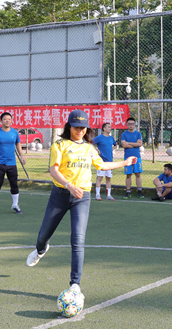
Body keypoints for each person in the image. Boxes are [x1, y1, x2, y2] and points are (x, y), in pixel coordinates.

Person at [26, 110, 137, 293]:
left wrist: (125, 163)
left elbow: (102, 165)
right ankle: (40, 250)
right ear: (69, 126)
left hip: (82, 197)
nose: (80, 131)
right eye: (76, 127)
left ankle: (75, 284)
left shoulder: (89, 148)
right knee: (43, 236)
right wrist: (69, 186)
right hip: (60, 195)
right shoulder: (59, 145)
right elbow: (53, 171)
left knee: (78, 240)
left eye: (83, 127)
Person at [0, 112, 25, 215]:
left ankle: (15, 204)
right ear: (1, 121)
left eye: (9, 119)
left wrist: (22, 156)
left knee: (14, 184)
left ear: (11, 120)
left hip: (12, 164)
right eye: (5, 119)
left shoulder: (14, 132)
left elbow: (18, 144)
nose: (7, 121)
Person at [120, 117, 144, 199]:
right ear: (127, 125)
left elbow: (139, 144)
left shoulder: (138, 134)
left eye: (132, 124)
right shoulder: (124, 134)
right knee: (128, 175)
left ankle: (139, 192)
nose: (131, 125)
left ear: (135, 125)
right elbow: (124, 145)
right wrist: (135, 144)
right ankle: (128, 192)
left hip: (137, 157)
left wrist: (129, 143)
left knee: (138, 174)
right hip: (127, 158)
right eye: (129, 124)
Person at [93, 122, 117, 201]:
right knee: (99, 178)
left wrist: (111, 149)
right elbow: (90, 143)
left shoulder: (111, 138)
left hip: (110, 161)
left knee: (108, 178)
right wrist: (97, 150)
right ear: (104, 128)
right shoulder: (99, 137)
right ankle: (97, 194)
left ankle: (108, 195)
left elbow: (115, 145)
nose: (110, 128)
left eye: (110, 127)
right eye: (109, 127)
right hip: (101, 162)